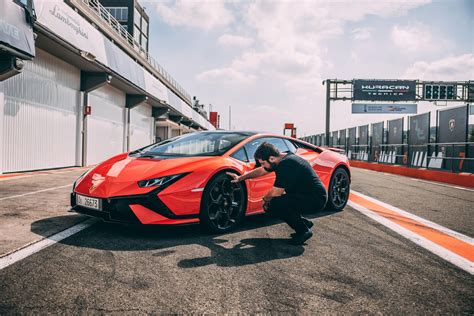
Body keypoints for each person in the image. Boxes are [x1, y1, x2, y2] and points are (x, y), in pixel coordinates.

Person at [227, 142, 327, 245]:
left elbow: (276, 193)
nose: (262, 166)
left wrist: (265, 200)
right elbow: (261, 171)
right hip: (306, 196)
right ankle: (303, 223)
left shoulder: (287, 164)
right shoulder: (281, 158)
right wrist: (240, 178)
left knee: (274, 204)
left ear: (271, 158)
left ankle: (303, 231)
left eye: (263, 163)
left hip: (315, 200)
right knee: (276, 203)